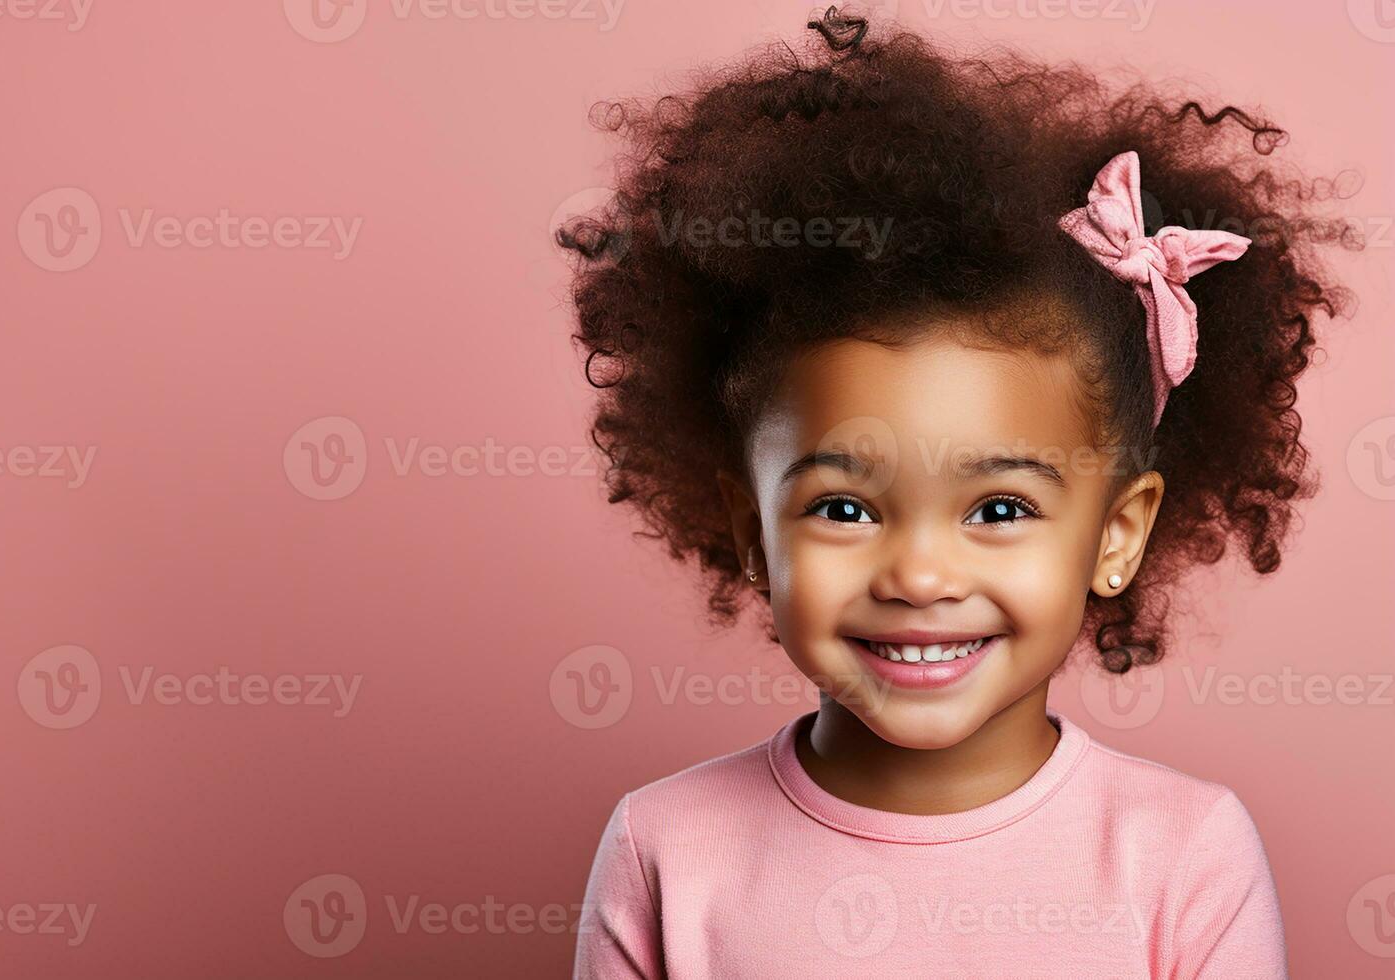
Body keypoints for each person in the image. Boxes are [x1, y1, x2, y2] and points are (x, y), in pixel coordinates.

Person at [559, 8, 1354, 976]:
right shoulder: (665, 848)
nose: (921, 572)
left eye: (999, 508)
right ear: (752, 530)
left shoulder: (1182, 854)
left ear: (1117, 531)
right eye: (843, 507)